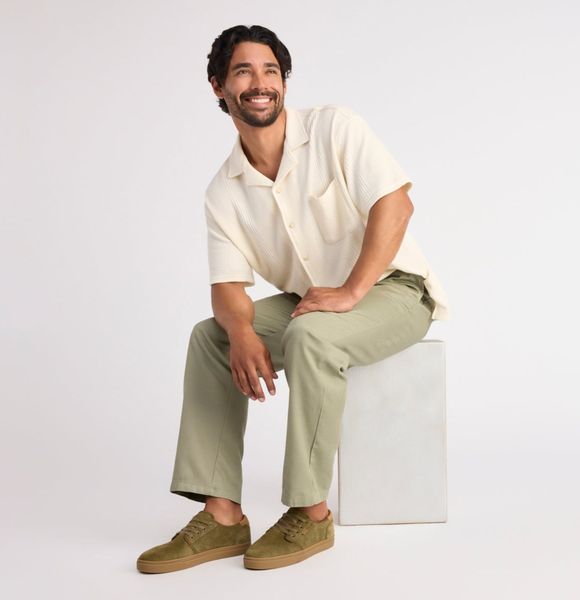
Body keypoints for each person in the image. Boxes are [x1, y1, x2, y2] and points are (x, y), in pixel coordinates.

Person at [136, 24, 450, 574]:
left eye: (271, 71)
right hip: (314, 300)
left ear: (284, 81)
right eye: (243, 71)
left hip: (396, 290)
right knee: (211, 337)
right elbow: (227, 289)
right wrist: (240, 333)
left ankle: (310, 511)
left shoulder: (334, 128)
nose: (260, 83)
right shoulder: (224, 191)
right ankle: (223, 515)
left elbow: (396, 205)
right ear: (218, 86)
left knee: (311, 335)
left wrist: (352, 291)